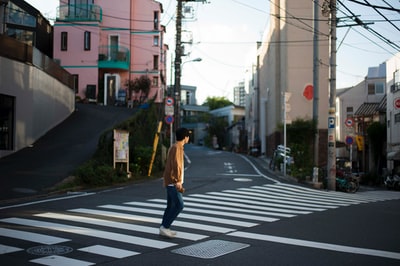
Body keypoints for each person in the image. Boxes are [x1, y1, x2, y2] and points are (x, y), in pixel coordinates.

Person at [159, 127, 190, 238]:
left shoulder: (176, 147)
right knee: (179, 205)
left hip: (170, 181)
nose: (188, 138)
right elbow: (176, 165)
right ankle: (165, 227)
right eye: (188, 136)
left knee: (170, 205)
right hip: (173, 182)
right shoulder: (177, 148)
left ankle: (164, 227)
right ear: (185, 137)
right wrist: (177, 181)